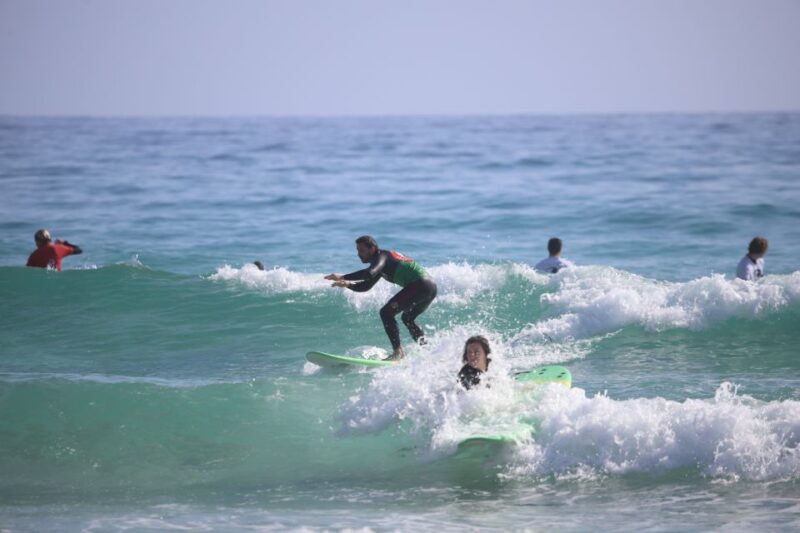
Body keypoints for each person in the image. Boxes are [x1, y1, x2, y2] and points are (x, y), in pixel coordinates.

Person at [325, 235, 437, 360]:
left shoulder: (382, 256)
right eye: (357, 250)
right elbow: (366, 286)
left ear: (372, 249)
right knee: (407, 318)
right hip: (430, 288)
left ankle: (398, 353)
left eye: (361, 250)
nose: (358, 254)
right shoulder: (381, 264)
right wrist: (347, 284)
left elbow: (368, 274)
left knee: (386, 313)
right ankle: (426, 349)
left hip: (421, 285)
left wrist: (342, 276)